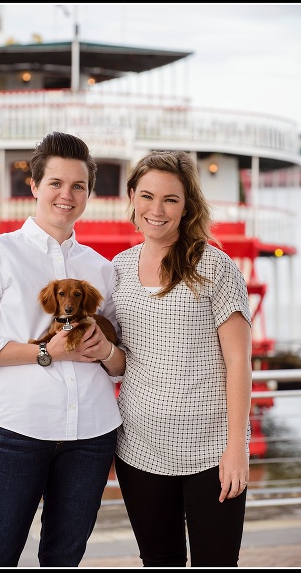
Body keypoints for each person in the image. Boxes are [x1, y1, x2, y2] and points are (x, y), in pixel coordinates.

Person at [0, 131, 124, 567]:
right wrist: (48, 353)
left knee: (65, 558)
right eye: (56, 183)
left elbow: (121, 365)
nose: (66, 195)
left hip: (91, 433)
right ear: (33, 185)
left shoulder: (101, 270)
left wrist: (104, 350)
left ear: (88, 193)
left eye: (78, 186)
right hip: (19, 431)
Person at [111, 150, 252, 567]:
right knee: (159, 560)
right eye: (148, 196)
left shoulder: (216, 267)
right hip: (140, 451)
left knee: (216, 562)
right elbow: (121, 360)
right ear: (133, 196)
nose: (157, 210)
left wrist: (236, 449)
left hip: (212, 453)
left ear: (187, 205)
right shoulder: (117, 269)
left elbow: (239, 363)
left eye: (171, 199)